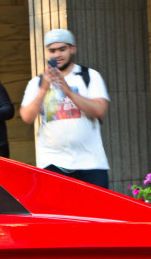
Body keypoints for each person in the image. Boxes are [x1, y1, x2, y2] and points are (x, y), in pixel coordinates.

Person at [19, 28, 110, 188]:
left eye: (62, 49)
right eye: (52, 50)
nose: (57, 55)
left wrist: (68, 91)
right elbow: (27, 117)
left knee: (96, 212)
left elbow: (100, 110)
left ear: (72, 49)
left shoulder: (89, 75)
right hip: (52, 162)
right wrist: (43, 90)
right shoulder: (37, 82)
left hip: (90, 162)